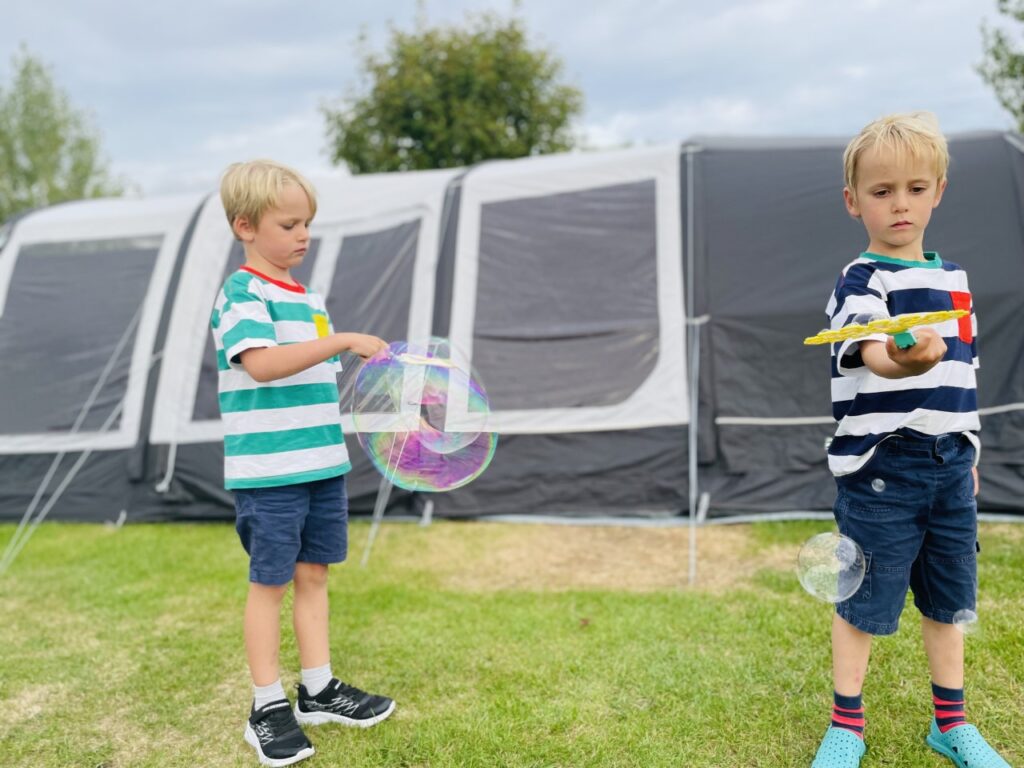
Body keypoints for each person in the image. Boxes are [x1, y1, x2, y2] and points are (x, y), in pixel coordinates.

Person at [812, 114, 1009, 768]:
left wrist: (970, 448)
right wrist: (906, 358)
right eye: (881, 191)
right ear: (852, 202)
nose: (900, 204)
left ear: (939, 192)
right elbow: (870, 349)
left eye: (916, 188)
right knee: (861, 598)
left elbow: (964, 374)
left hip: (950, 465)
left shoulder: (955, 282)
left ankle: (950, 725)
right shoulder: (861, 281)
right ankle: (847, 727)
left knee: (949, 600)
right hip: (881, 469)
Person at [211, 159, 393, 767]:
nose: (303, 235)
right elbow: (261, 364)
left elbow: (311, 377)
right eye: (288, 224)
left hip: (321, 465)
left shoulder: (307, 298)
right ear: (245, 226)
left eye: (307, 224)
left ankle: (318, 689)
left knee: (314, 576)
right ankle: (266, 707)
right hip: (271, 475)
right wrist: (343, 340)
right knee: (271, 584)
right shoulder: (242, 294)